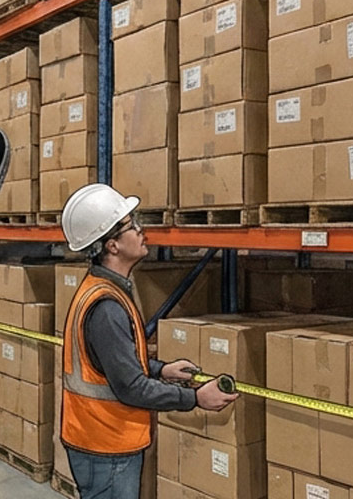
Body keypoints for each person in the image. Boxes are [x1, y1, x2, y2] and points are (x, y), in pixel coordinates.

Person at [60, 183, 238, 499]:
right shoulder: (106, 307)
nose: (143, 231)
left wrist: (161, 370)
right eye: (133, 226)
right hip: (106, 445)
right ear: (112, 245)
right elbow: (130, 387)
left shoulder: (105, 290)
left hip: (100, 441)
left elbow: (114, 362)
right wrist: (196, 399)